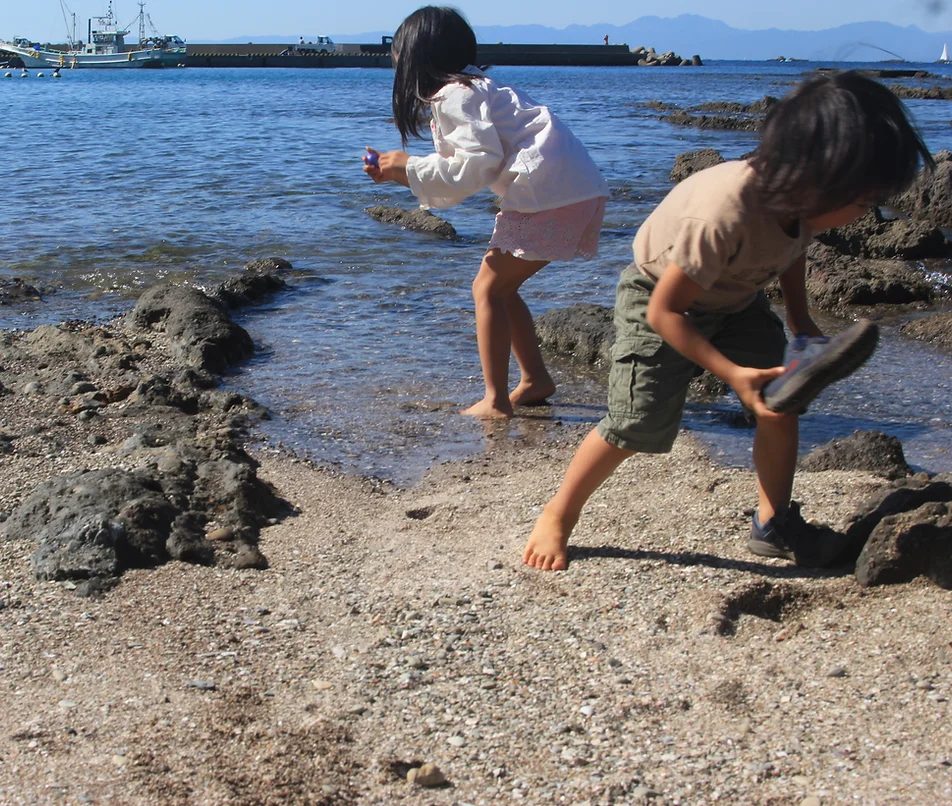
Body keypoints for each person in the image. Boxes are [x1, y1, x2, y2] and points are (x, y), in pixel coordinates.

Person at [523, 70, 934, 571]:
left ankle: (773, 522)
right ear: (817, 180)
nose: (868, 215)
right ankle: (558, 514)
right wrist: (732, 374)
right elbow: (664, 312)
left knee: (778, 405)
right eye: (864, 203)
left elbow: (792, 250)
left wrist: (801, 321)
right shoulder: (723, 214)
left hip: (738, 299)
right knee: (636, 423)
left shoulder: (798, 202)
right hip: (660, 296)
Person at [364, 6, 609, 418]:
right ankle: (534, 381)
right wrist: (407, 170)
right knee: (501, 287)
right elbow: (477, 162)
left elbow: (477, 164)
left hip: (550, 194)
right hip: (572, 189)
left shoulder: (455, 93)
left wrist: (406, 168)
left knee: (487, 289)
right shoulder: (478, 86)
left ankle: (496, 400)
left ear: (414, 58)